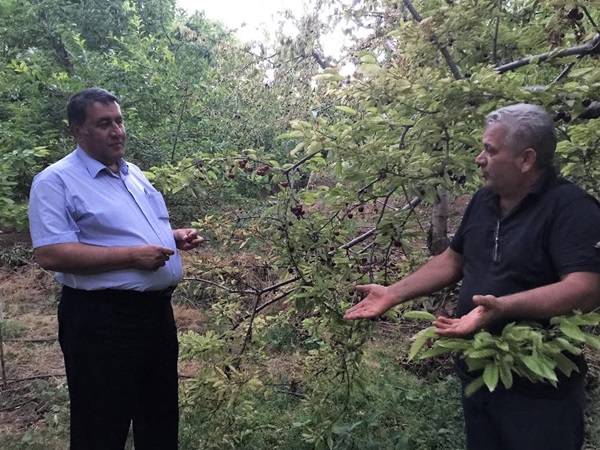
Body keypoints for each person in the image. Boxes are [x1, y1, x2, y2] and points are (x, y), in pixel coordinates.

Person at [344, 103, 600, 450]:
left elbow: (585, 289)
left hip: (541, 389)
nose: (479, 158)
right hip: (480, 374)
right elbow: (453, 259)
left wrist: (503, 307)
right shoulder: (484, 200)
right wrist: (394, 292)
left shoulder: (571, 208)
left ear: (526, 160)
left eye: (490, 151)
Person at [28, 88, 204, 450]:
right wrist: (131, 257)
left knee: (159, 421)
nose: (117, 131)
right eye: (104, 123)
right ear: (78, 131)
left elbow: (125, 229)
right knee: (101, 427)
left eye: (119, 121)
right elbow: (51, 254)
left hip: (156, 316)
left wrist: (171, 237)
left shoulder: (133, 174)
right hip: (101, 321)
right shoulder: (55, 181)